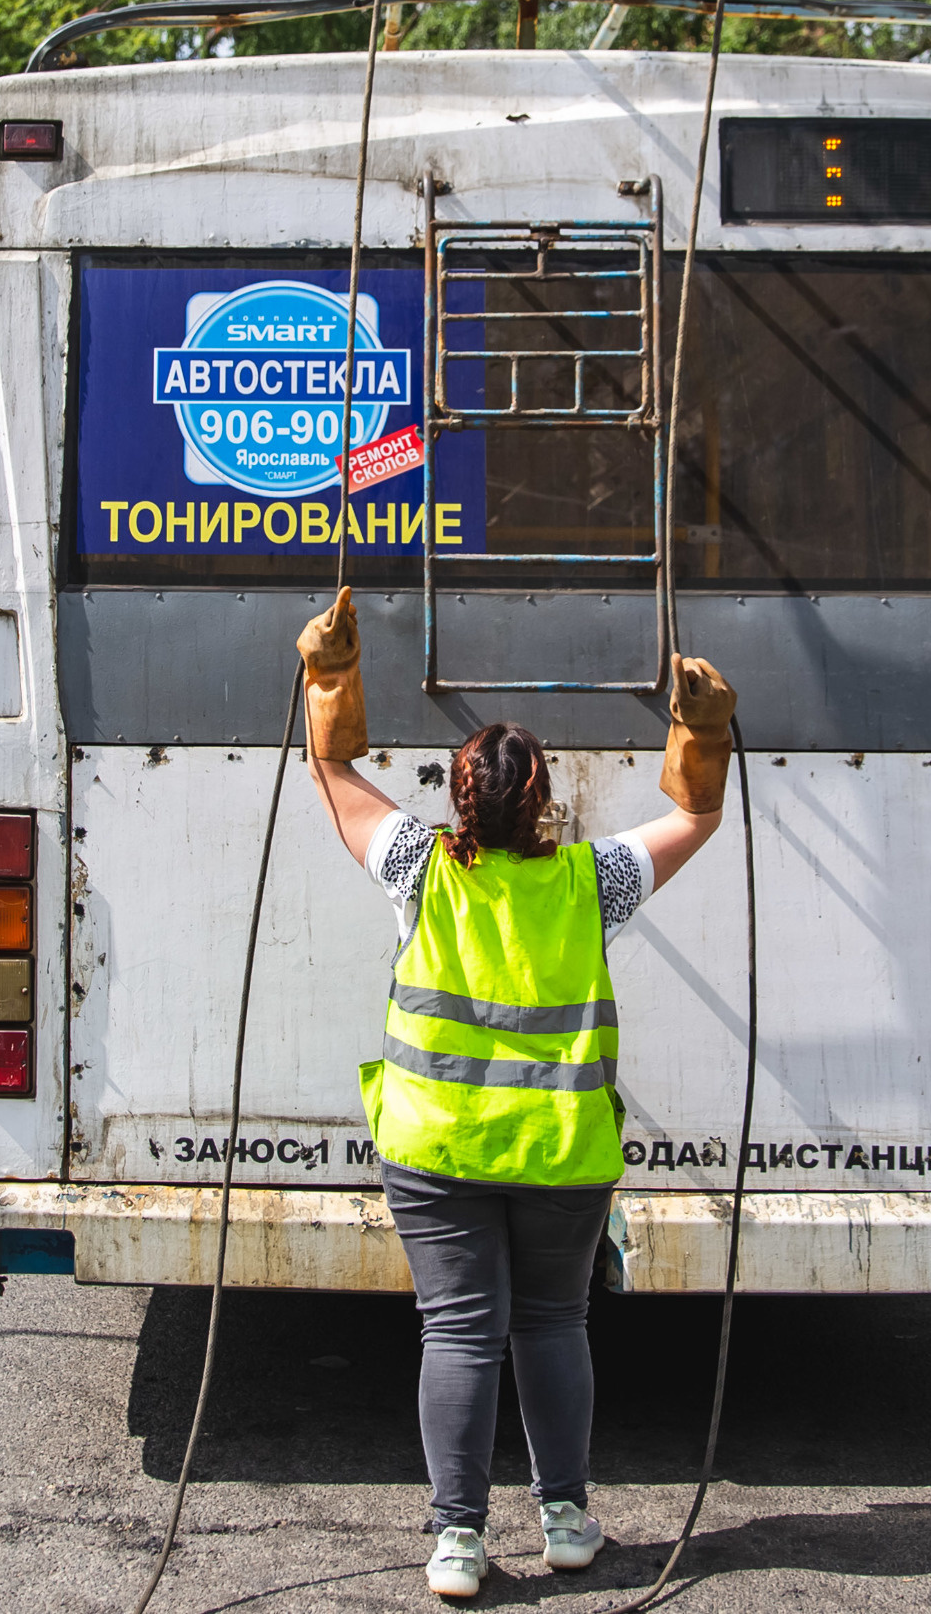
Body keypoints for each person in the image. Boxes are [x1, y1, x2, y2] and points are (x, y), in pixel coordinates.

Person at [297, 585, 734, 1602]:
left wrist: (331, 675)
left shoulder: (418, 869)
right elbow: (697, 814)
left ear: (459, 801)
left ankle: (457, 1540)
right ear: (543, 805)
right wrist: (698, 727)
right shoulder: (595, 881)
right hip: (561, 1156)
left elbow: (330, 770)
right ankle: (568, 1520)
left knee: (456, 1331)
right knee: (551, 1325)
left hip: (436, 1151)